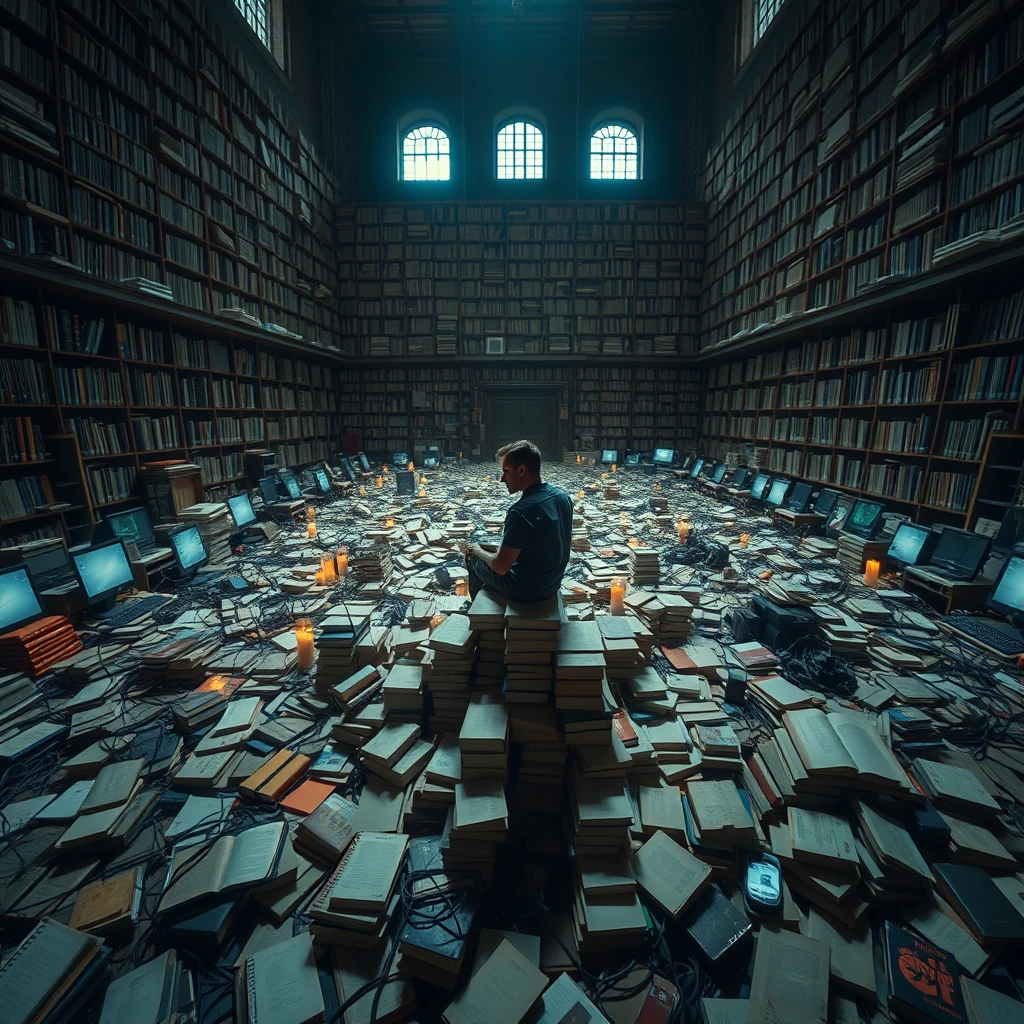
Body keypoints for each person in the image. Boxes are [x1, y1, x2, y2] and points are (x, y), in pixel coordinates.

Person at [465, 440, 573, 603]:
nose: (502, 479)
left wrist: (477, 551)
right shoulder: (562, 496)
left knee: (472, 555)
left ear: (521, 470)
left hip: (526, 590)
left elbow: (501, 568)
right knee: (489, 547)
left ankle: (477, 609)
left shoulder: (521, 511)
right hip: (552, 583)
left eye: (505, 471)